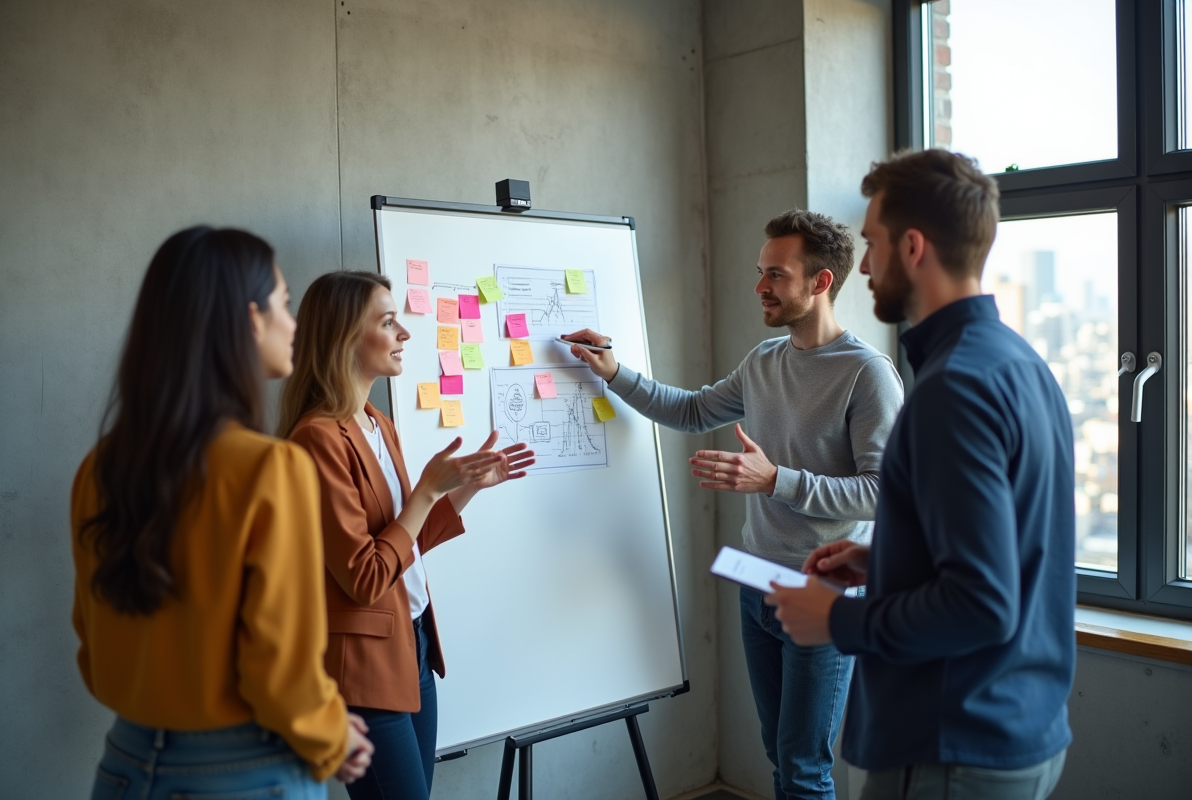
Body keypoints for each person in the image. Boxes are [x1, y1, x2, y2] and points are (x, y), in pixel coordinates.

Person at [767, 149, 1074, 800]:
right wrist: (886, 562)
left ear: (913, 247)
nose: (867, 266)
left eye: (873, 244)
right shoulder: (1019, 364)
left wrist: (837, 621)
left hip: (949, 748)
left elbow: (981, 603)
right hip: (1020, 728)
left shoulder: (952, 388)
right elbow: (1004, 556)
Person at [565, 210, 903, 800]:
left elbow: (884, 494)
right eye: (759, 272)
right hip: (757, 584)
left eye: (775, 275)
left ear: (820, 283)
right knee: (779, 754)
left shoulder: (867, 375)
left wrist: (776, 480)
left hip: (825, 591)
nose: (759, 287)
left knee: (803, 768)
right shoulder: (765, 359)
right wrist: (614, 372)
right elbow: (694, 410)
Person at [71, 227, 372, 800]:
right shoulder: (271, 469)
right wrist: (334, 737)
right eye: (285, 303)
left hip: (124, 765)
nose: (295, 323)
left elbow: (93, 646)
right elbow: (279, 669)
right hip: (246, 774)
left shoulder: (99, 468)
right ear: (249, 319)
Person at [279, 270, 535, 800]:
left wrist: (465, 489)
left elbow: (405, 545)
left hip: (412, 645)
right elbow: (365, 576)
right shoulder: (316, 439)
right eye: (389, 322)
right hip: (364, 670)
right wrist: (425, 492)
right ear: (345, 335)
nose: (405, 335)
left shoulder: (378, 423)